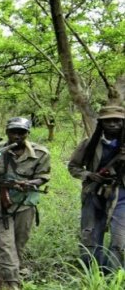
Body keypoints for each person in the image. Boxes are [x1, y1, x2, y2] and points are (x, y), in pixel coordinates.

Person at [0, 117, 50, 290]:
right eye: (13, 132)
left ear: (28, 133)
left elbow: (44, 176)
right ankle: (12, 283)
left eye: (21, 132)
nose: (17, 136)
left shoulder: (40, 153)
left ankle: (3, 272)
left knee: (19, 241)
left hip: (25, 202)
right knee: (5, 243)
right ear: (7, 132)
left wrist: (30, 183)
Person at [68, 105, 124, 271]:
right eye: (108, 121)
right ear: (101, 123)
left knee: (120, 239)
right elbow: (73, 166)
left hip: (121, 195)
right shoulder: (89, 143)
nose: (113, 124)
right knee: (90, 235)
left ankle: (112, 276)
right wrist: (89, 175)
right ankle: (91, 273)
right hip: (93, 193)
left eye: (117, 120)